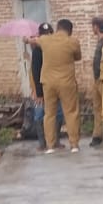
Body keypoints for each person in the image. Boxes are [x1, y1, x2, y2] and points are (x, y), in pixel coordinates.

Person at [27, 19, 83, 154]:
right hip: (67, 83)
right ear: (70, 30)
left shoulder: (45, 40)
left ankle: (50, 145)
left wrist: (27, 40)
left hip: (48, 83)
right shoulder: (73, 42)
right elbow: (78, 57)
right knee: (71, 113)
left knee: (49, 114)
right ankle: (74, 144)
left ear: (57, 28)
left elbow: (32, 41)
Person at [88, 16, 103, 148]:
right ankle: (97, 134)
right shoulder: (99, 40)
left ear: (96, 26)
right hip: (97, 79)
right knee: (97, 107)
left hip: (102, 78)